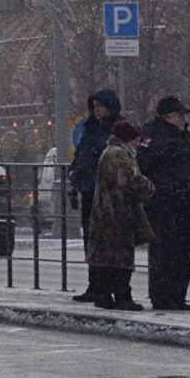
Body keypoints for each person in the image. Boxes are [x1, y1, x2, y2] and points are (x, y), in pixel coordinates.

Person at [136, 95, 190, 311]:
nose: (183, 119)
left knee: (183, 252)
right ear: (168, 117)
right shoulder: (156, 136)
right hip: (166, 203)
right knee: (166, 252)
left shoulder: (181, 136)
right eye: (179, 115)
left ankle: (177, 295)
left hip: (186, 203)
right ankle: (163, 295)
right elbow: (146, 161)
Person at [86, 120, 153, 311]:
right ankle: (122, 296)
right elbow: (131, 181)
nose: (138, 144)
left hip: (107, 212)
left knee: (107, 257)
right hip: (118, 213)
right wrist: (149, 187)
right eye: (136, 140)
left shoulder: (110, 152)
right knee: (120, 257)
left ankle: (105, 294)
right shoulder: (120, 155)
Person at [67, 89, 123, 303]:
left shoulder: (116, 129)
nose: (97, 111)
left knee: (106, 241)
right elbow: (82, 153)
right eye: (95, 107)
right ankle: (95, 283)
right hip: (90, 189)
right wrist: (76, 172)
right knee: (91, 239)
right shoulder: (91, 128)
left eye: (101, 107)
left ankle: (107, 285)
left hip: (107, 193)